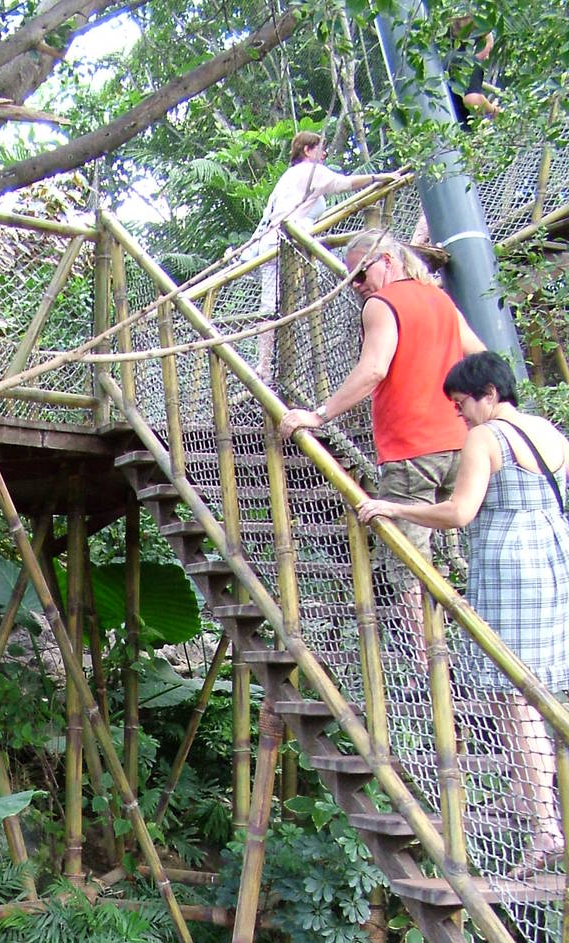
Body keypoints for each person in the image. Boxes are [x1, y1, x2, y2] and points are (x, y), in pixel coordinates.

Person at [356, 351, 569, 875]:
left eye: (462, 405)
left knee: (514, 690)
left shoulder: (487, 437)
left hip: (507, 566)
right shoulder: (549, 432)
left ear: (490, 395)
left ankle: (544, 826)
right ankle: (528, 798)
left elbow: (458, 512)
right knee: (524, 687)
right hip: (552, 557)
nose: (461, 416)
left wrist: (395, 507)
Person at [279, 229, 486, 643]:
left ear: (388, 261)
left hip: (412, 449)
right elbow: (479, 354)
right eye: (350, 278)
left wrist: (319, 416)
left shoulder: (382, 302)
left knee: (407, 561)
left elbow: (374, 368)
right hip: (462, 444)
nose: (357, 285)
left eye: (360, 273)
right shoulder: (439, 299)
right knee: (459, 554)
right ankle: (465, 655)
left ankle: (433, 662)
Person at [234, 132, 395, 379]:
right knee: (302, 297)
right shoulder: (310, 171)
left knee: (270, 305)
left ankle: (264, 365)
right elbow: (345, 183)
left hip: (271, 245)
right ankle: (279, 364)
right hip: (293, 243)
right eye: (322, 148)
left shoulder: (287, 178)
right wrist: (379, 177)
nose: (325, 154)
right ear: (308, 150)